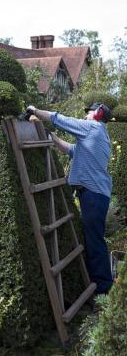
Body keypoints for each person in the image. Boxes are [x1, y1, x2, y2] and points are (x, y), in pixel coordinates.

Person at [26, 103, 113, 295]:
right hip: (94, 194)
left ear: (98, 115)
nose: (86, 115)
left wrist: (34, 111)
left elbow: (60, 119)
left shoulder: (92, 127)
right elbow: (71, 150)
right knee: (94, 239)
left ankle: (103, 290)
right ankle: (101, 284)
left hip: (93, 194)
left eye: (89, 112)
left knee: (95, 241)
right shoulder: (98, 134)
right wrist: (50, 135)